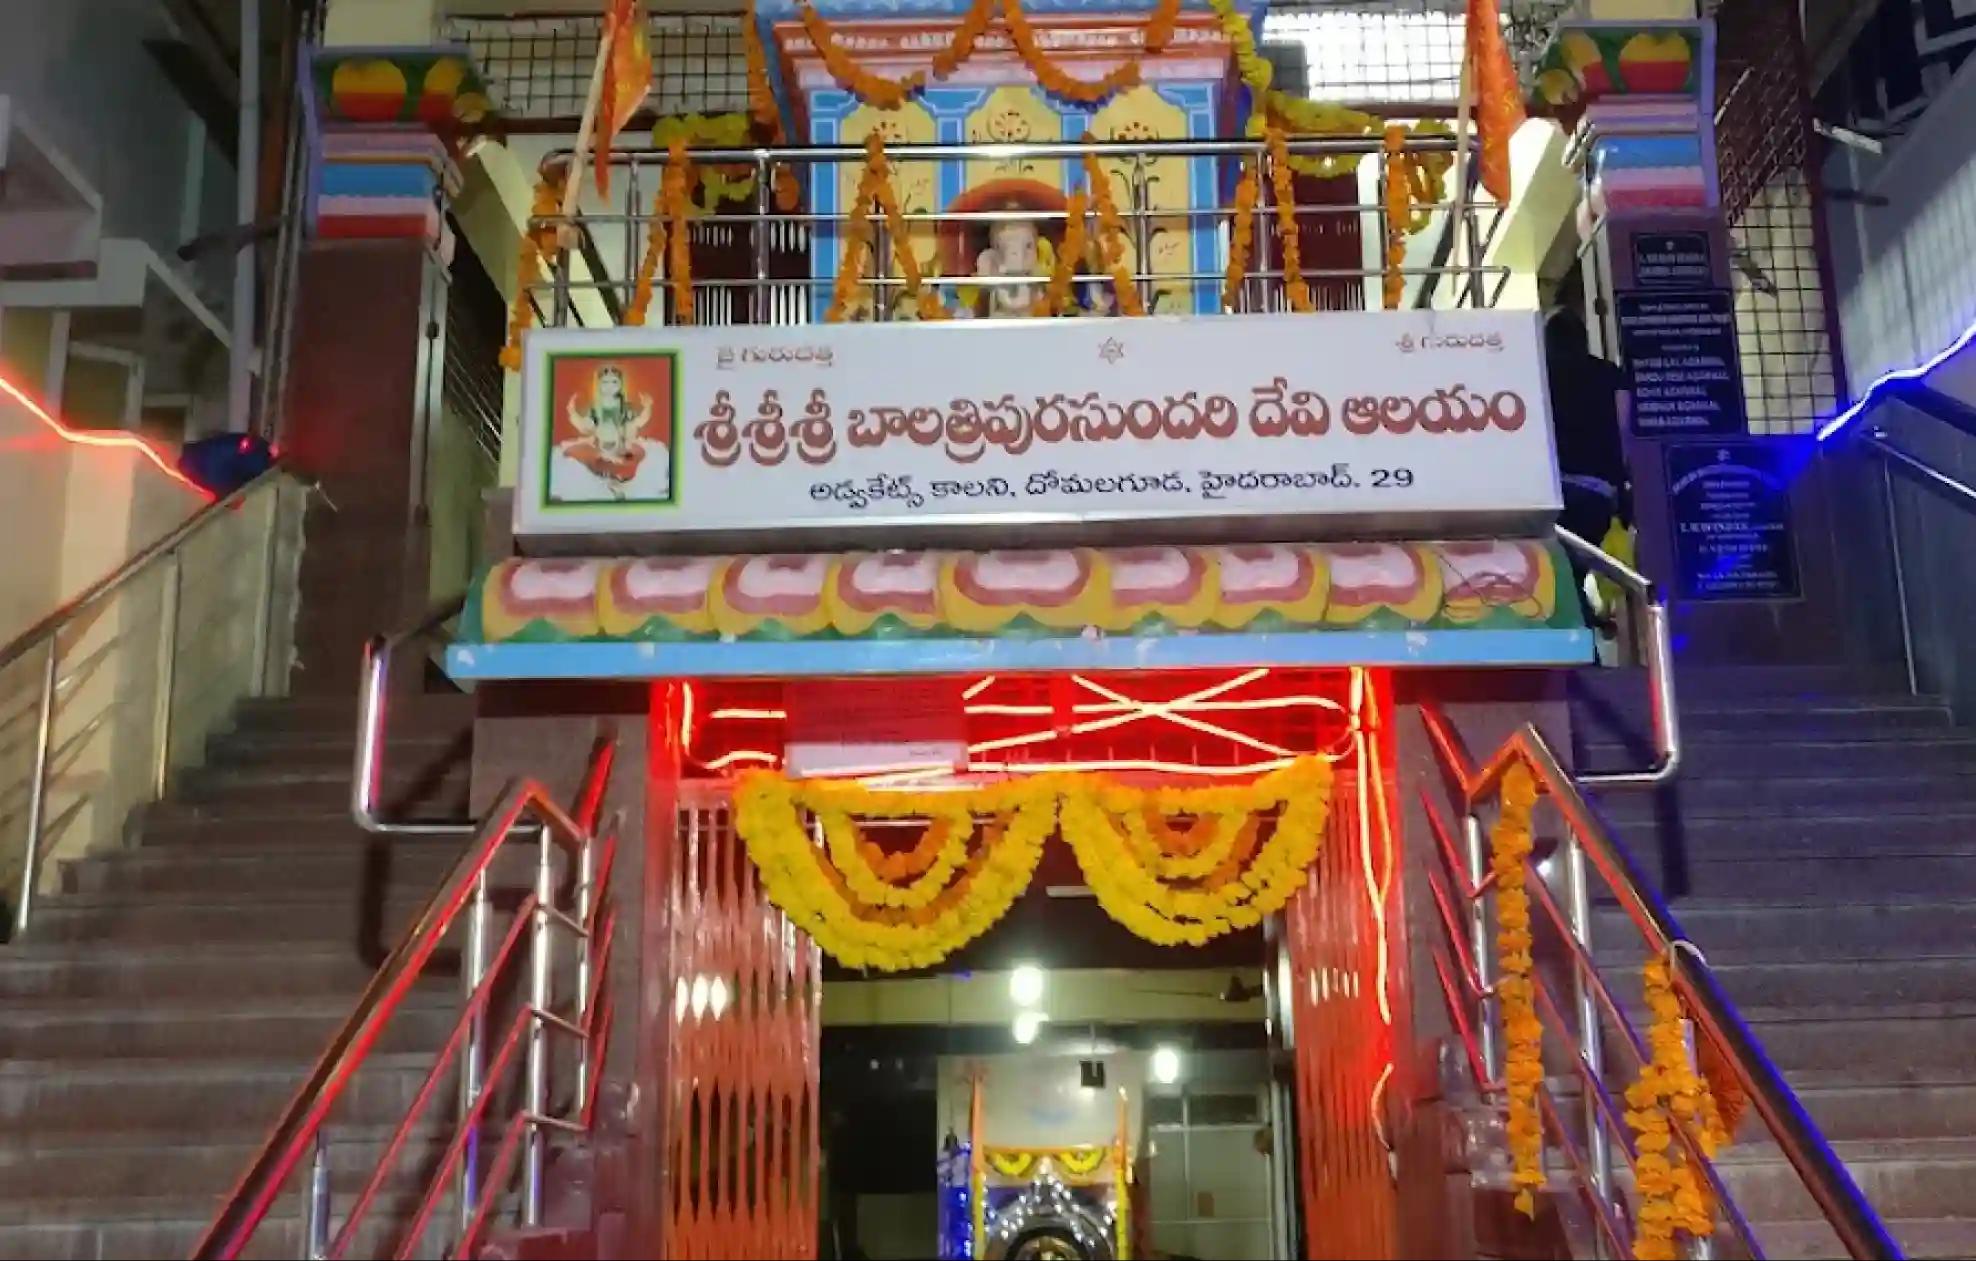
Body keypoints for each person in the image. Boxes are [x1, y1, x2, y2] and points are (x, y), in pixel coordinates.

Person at [1544, 307, 1629, 627]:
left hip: (1552, 492)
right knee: (1573, 570)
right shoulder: (1608, 374)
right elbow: (1625, 430)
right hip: (1597, 492)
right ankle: (1588, 624)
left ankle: (1582, 637)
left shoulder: (1535, 374)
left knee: (1558, 575)